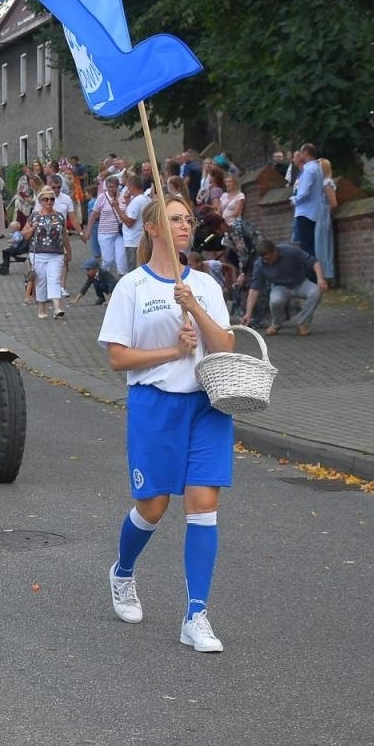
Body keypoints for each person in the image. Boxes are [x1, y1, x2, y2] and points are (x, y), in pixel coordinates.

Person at [97, 193, 235, 653]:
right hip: (155, 404)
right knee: (153, 507)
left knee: (202, 505)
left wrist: (194, 307)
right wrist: (172, 352)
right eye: (175, 219)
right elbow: (118, 357)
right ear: (153, 228)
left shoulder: (206, 285)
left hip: (206, 405)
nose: (185, 226)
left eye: (188, 220)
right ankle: (123, 571)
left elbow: (225, 348)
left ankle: (196, 614)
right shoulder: (131, 287)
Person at [241, 238, 327, 336]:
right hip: (280, 287)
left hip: (301, 283)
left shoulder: (290, 250)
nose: (268, 262)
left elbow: (314, 262)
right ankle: (276, 324)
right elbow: (254, 290)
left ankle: (302, 323)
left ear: (275, 250)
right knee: (275, 301)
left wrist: (320, 280)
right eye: (265, 259)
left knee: (316, 292)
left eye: (270, 258)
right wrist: (248, 313)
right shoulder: (259, 264)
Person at [26, 188, 69, 319]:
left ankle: (57, 308)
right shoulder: (34, 216)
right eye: (46, 199)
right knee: (41, 281)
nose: (49, 201)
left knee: (54, 279)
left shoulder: (60, 215)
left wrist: (69, 251)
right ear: (40, 201)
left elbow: (65, 234)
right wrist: (33, 228)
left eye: (52, 199)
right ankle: (41, 307)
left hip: (56, 253)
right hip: (38, 253)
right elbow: (24, 234)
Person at [289, 143, 324, 256]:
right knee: (309, 245)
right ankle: (312, 271)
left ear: (306, 153)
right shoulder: (317, 168)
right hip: (313, 210)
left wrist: (295, 199)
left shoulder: (309, 170)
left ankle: (310, 273)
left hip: (305, 212)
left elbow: (303, 192)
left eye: (301, 152)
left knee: (305, 247)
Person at [94, 175, 126, 276]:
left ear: (117, 186)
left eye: (113, 186)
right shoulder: (102, 197)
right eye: (109, 187)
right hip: (105, 233)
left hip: (120, 233)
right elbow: (94, 214)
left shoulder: (123, 197)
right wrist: (87, 231)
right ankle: (101, 278)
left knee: (121, 260)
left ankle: (122, 281)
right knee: (108, 260)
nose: (111, 189)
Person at [315, 158, 339, 282]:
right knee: (319, 245)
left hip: (323, 215)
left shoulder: (327, 183)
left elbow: (333, 203)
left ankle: (327, 274)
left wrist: (328, 212)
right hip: (319, 214)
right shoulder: (321, 183)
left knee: (324, 245)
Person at [120, 175, 151, 272]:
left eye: (128, 186)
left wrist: (116, 208)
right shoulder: (146, 199)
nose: (127, 189)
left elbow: (129, 222)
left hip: (133, 241)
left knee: (133, 270)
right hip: (141, 239)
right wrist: (128, 201)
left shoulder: (137, 201)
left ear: (133, 186)